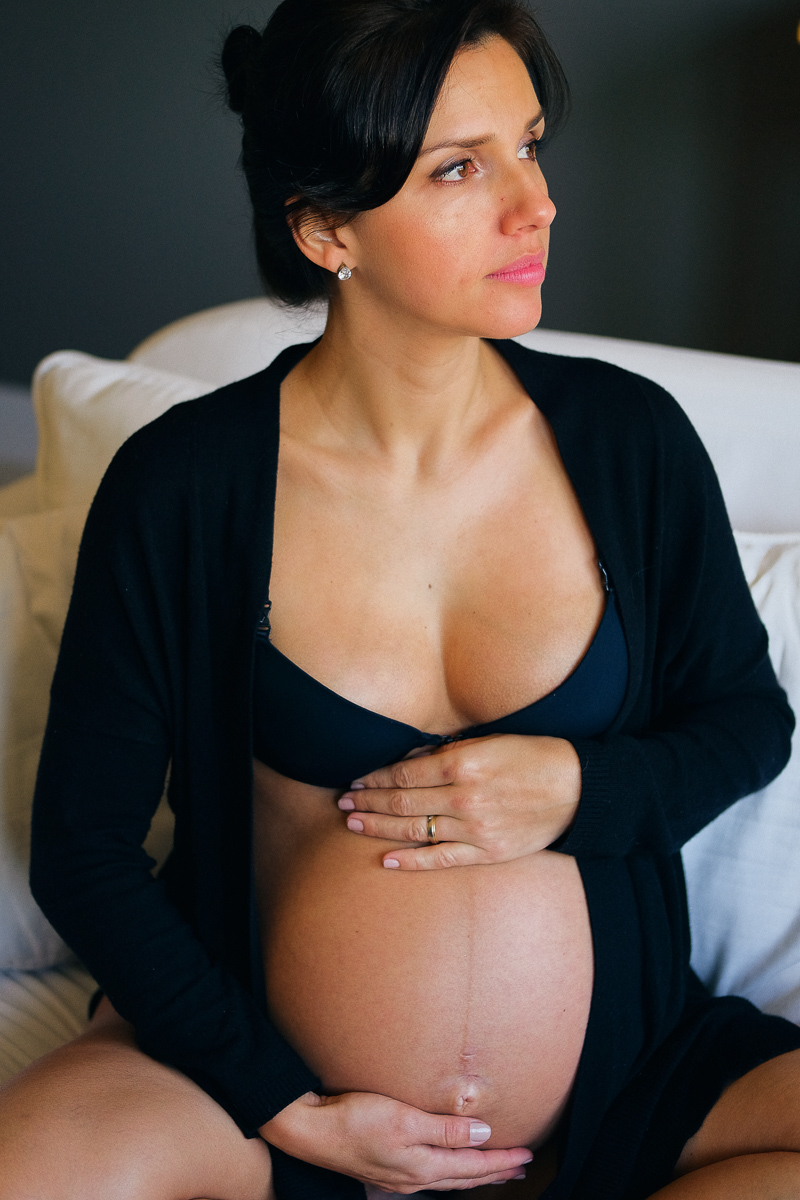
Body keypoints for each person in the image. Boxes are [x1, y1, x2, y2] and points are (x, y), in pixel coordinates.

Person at [1, 0, 799, 1197]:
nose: (533, 204)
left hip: (626, 1093)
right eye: (459, 169)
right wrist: (280, 1105)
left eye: (528, 145)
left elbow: (746, 720)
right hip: (259, 1101)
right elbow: (85, 849)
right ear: (327, 230)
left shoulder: (626, 441)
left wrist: (581, 787)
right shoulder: (185, 487)